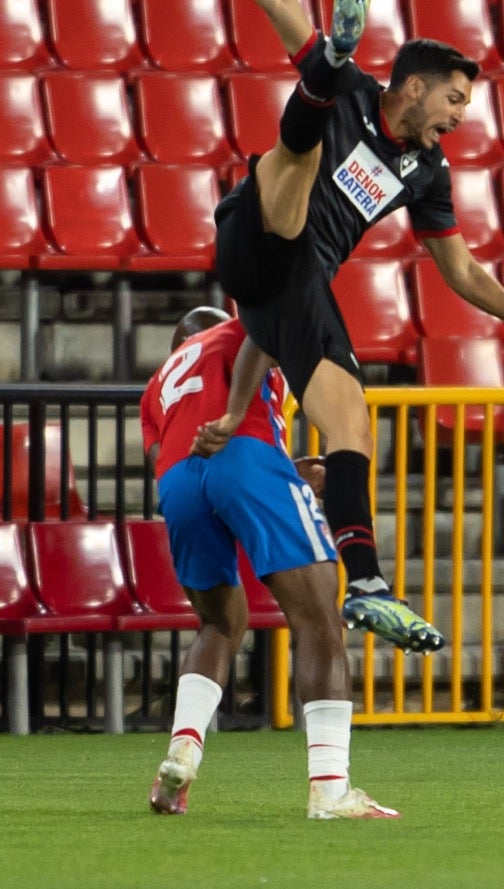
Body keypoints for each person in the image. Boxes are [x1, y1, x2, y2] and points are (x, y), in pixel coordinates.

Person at [190, 0, 504, 654]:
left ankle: (367, 581)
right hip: (254, 223)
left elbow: (457, 270)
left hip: (284, 284)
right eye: (452, 100)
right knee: (292, 169)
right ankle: (320, 74)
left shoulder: (430, 171)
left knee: (351, 415)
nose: (458, 117)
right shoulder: (360, 95)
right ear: (410, 86)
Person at [142, 306, 398, 819]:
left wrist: (285, 476)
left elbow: (171, 461)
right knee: (319, 617)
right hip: (244, 453)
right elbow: (266, 330)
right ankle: (329, 790)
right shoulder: (237, 329)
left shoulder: (157, 383)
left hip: (177, 481)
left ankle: (181, 754)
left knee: (219, 622)